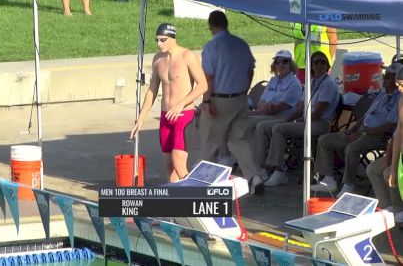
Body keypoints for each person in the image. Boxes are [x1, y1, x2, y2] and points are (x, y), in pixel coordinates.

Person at [130, 23, 207, 183]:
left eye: (162, 40)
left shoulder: (187, 56)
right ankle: (174, 202)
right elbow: (152, 90)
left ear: (172, 38)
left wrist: (181, 104)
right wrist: (141, 118)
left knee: (179, 162)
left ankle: (195, 196)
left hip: (184, 115)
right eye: (157, 40)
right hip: (166, 116)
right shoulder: (158, 59)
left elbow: (203, 85)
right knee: (169, 165)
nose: (159, 44)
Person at [313, 61, 402, 196]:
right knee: (325, 140)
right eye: (385, 75)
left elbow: (389, 125)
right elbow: (366, 115)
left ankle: (349, 183)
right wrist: (353, 128)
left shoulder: (398, 99)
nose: (384, 78)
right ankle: (329, 180)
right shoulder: (382, 94)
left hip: (379, 136)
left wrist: (363, 133)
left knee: (352, 148)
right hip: (363, 131)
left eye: (388, 77)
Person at [199, 11, 262, 194]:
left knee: (209, 141)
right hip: (240, 99)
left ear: (211, 26)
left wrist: (206, 100)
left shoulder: (211, 47)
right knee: (239, 140)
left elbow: (209, 77)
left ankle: (204, 184)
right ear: (226, 24)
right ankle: (254, 177)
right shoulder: (241, 44)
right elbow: (250, 71)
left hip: (219, 99)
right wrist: (244, 91)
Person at [255, 51, 340, 187]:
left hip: (320, 124)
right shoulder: (310, 83)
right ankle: (265, 167)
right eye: (316, 62)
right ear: (311, 66)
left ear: (327, 66)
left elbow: (318, 113)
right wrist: (288, 120)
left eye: (323, 62)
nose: (319, 65)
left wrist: (296, 121)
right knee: (275, 126)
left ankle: (279, 170)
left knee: (279, 128)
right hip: (307, 120)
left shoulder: (328, 84)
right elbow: (300, 108)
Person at [367, 137, 403, 223]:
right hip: (399, 155)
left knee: (388, 174)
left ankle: (399, 209)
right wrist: (389, 160)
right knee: (372, 169)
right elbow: (395, 140)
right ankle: (387, 207)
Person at [387, 67, 403, 222]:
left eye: (402, 84)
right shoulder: (401, 100)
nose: (399, 88)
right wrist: (393, 168)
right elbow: (398, 135)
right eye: (398, 84)